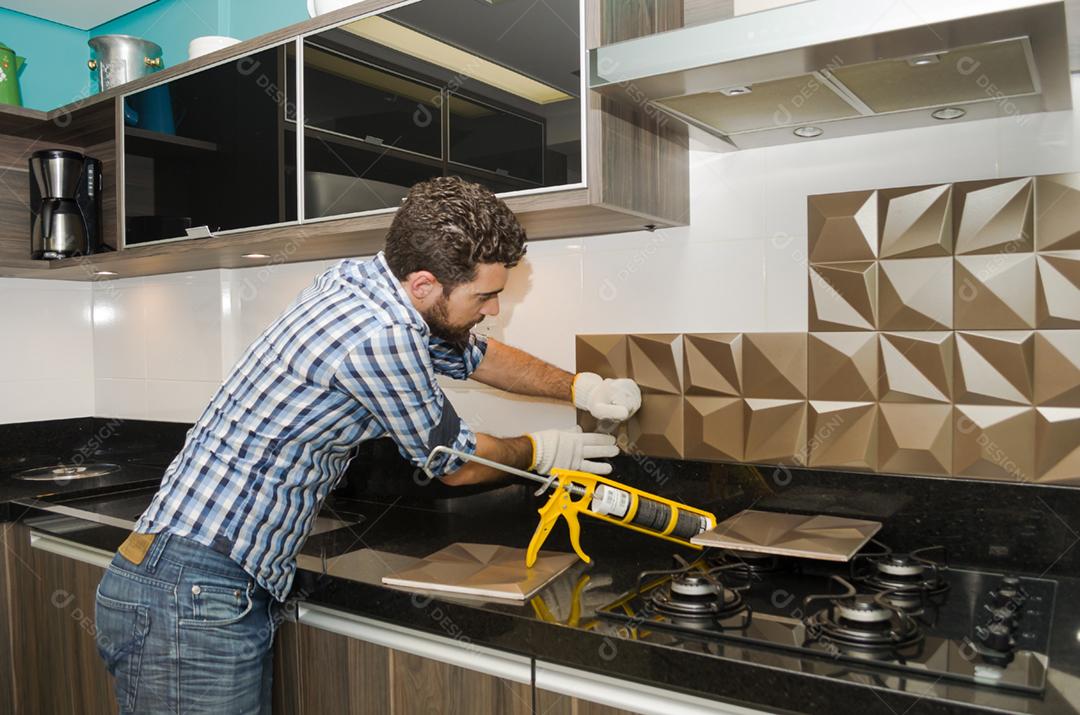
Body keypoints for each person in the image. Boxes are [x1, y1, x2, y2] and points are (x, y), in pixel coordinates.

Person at [93, 176, 641, 714]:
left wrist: (582, 387)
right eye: (486, 296)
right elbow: (454, 462)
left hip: (187, 583)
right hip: (192, 596)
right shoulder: (378, 335)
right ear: (424, 284)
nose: (494, 310)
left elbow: (474, 356)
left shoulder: (361, 281)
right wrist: (544, 453)